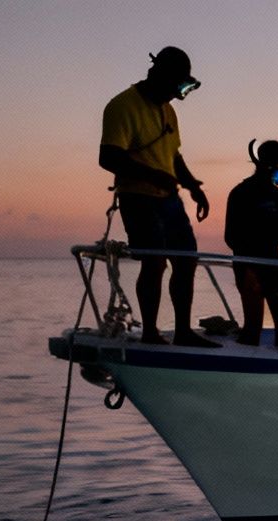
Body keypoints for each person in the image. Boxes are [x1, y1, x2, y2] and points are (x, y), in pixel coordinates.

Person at [97, 47, 218, 347]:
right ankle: (150, 332)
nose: (178, 95)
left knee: (186, 260)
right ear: (158, 75)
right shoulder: (122, 106)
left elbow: (173, 154)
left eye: (183, 88)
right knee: (155, 263)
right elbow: (108, 157)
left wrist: (192, 186)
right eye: (177, 86)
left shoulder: (168, 110)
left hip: (170, 200)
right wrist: (153, 176)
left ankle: (183, 332)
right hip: (138, 198)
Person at [224, 139, 278, 348]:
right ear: (267, 167)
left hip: (276, 267)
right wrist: (249, 268)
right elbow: (230, 236)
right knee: (253, 328)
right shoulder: (240, 193)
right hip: (248, 267)